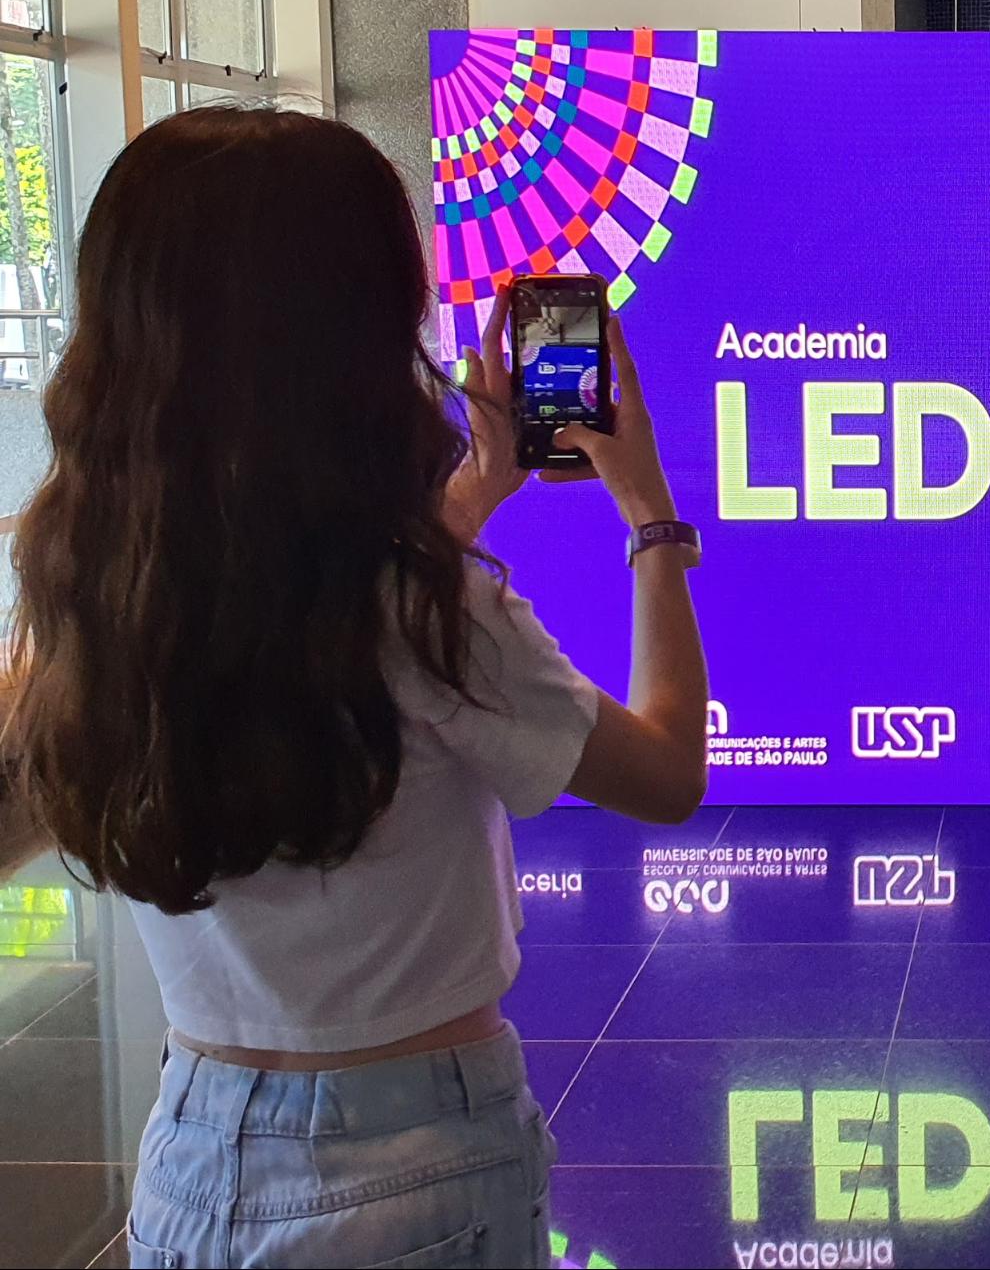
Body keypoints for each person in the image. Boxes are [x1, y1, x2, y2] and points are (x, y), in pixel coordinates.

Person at [0, 108, 708, 1268]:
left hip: (189, 1162)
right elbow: (669, 770)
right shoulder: (436, 621)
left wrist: (472, 503)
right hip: (419, 1165)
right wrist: (652, 516)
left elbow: (302, 615)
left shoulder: (95, 599)